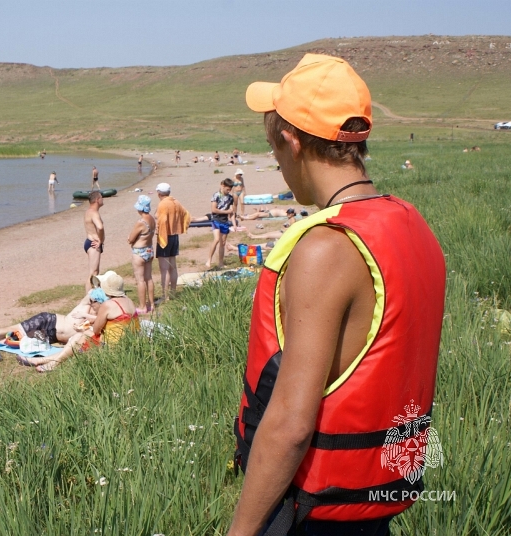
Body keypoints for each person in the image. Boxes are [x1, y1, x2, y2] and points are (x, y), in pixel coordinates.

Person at [228, 54, 445, 536]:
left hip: (315, 518)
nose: (278, 163)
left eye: (274, 147)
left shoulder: (325, 249)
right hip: (373, 510)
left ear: (292, 141)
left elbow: (289, 426)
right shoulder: (411, 225)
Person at [23, 271, 139, 372]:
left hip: (113, 346)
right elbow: (116, 324)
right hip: (128, 343)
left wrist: (84, 328)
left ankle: (53, 363)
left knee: (81, 335)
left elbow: (97, 330)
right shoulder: (129, 301)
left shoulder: (108, 305)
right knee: (80, 335)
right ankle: (43, 360)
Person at [0, 289, 104, 352]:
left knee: (14, 342)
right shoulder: (85, 305)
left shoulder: (96, 320)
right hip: (47, 321)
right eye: (99, 303)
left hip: (51, 336)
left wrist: (90, 318)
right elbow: (91, 291)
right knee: (11, 330)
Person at [154, 183, 189, 302]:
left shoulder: (162, 204)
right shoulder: (176, 202)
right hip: (175, 235)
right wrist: (179, 225)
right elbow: (186, 214)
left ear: (159, 193)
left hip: (165, 236)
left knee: (164, 269)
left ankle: (165, 296)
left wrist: (159, 230)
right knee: (173, 266)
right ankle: (173, 293)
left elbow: (162, 220)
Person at [128, 195, 155, 314]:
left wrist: (129, 239)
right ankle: (152, 304)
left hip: (139, 252)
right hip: (149, 249)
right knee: (149, 278)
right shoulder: (152, 219)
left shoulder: (140, 222)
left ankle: (143, 306)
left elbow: (131, 238)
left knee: (140, 280)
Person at [202, 178, 235, 268]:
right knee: (216, 239)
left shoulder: (230, 198)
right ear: (223, 186)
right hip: (216, 219)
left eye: (230, 189)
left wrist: (234, 224)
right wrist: (226, 212)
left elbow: (231, 212)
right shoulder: (216, 195)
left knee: (223, 243)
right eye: (227, 189)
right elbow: (213, 209)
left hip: (225, 221)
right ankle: (209, 260)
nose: (228, 191)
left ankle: (220, 263)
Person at [84, 190, 105, 292]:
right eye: (101, 197)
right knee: (93, 272)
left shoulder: (88, 211)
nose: (103, 199)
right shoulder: (94, 213)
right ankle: (89, 297)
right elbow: (100, 227)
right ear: (97, 200)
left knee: (95, 272)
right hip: (94, 244)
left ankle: (94, 294)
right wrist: (100, 240)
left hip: (90, 241)